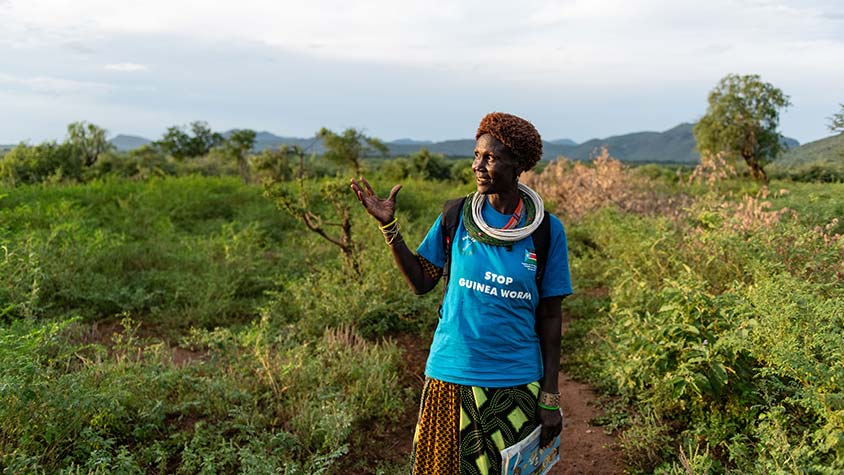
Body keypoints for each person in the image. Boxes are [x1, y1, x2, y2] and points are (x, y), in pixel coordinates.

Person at [350, 112, 572, 474]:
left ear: (517, 164)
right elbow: (423, 281)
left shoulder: (546, 231)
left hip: (515, 380)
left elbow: (550, 317)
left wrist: (550, 395)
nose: (478, 166)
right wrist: (389, 227)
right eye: (476, 155)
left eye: (490, 158)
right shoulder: (456, 215)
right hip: (451, 375)